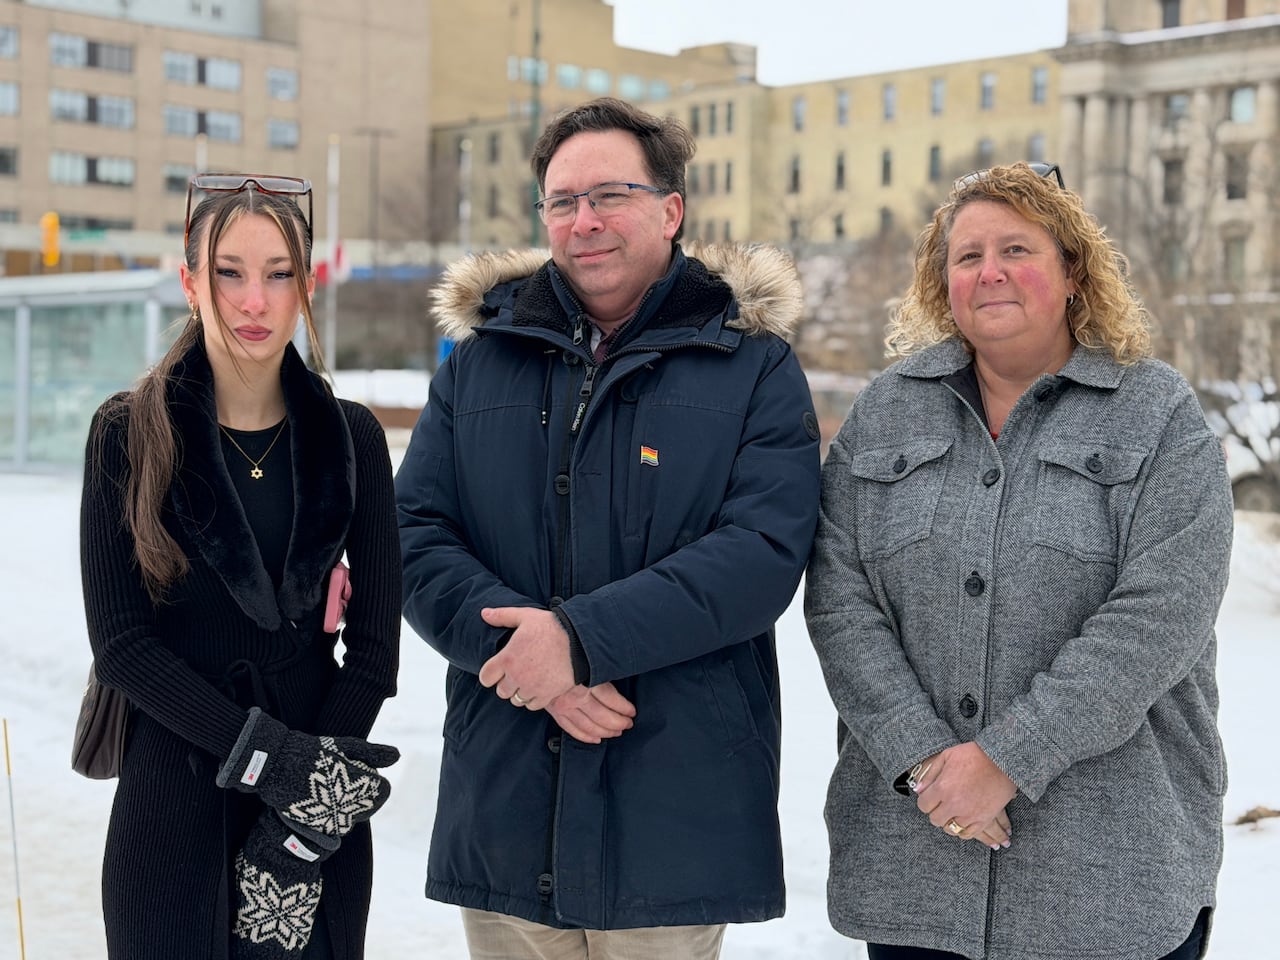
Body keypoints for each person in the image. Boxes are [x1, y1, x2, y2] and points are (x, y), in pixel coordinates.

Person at [397, 96, 821, 959]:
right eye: (563, 201)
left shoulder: (754, 367)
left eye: (610, 196)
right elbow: (414, 536)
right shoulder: (479, 363)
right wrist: (536, 667)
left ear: (671, 210)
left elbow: (760, 555)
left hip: (674, 809)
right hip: (510, 793)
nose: (584, 222)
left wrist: (581, 642)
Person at [804, 161, 1233, 960]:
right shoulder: (885, 412)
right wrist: (926, 761)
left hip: (1108, 887)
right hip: (915, 876)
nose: (989, 272)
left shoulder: (1159, 414)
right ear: (943, 281)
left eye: (1017, 250)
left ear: (1073, 270)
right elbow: (840, 599)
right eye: (966, 257)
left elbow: (1159, 617)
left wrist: (1007, 760)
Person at [79, 174, 402, 960]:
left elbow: (374, 651)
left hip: (312, 814)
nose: (253, 301)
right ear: (190, 280)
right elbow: (122, 643)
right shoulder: (128, 432)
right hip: (172, 804)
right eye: (229, 271)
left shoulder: (353, 437)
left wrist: (308, 800)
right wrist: (271, 763)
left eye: (278, 273)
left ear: (307, 286)